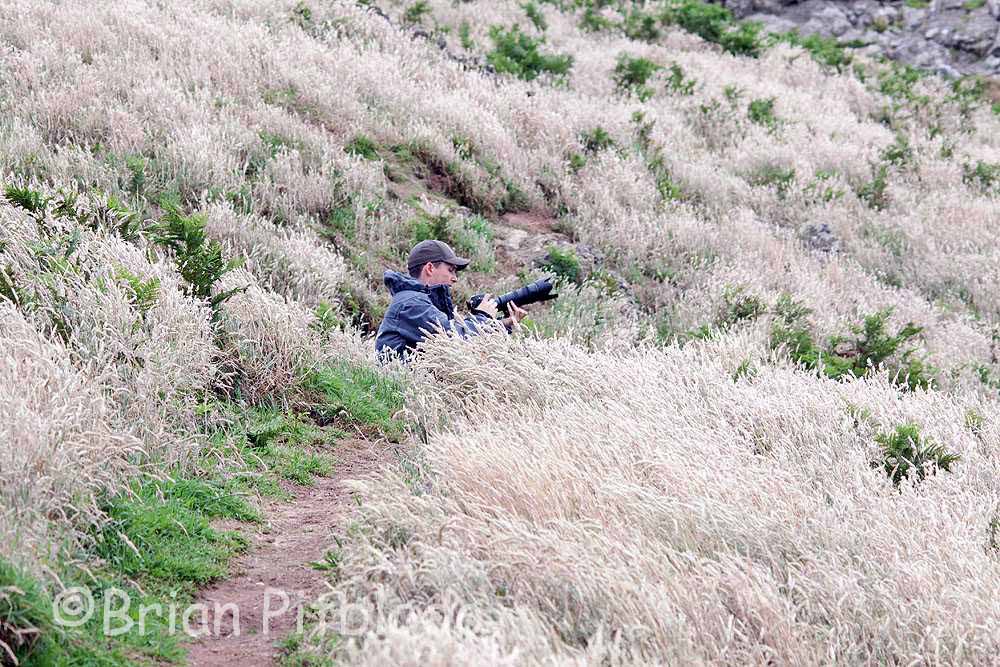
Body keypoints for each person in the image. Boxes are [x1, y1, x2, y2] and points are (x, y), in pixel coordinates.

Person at [375, 239, 528, 359]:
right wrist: (483, 317)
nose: (454, 278)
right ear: (429, 268)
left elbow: (461, 342)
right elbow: (454, 339)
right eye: (450, 270)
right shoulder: (411, 303)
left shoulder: (418, 301)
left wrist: (503, 324)